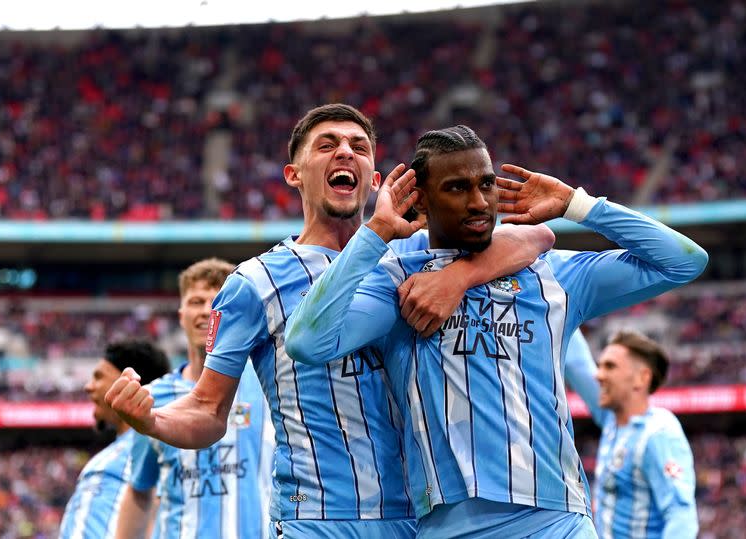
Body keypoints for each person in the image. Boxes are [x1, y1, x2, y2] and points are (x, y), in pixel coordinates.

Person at [106, 104, 553, 538]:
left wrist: (462, 274)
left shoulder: (414, 258)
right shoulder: (254, 283)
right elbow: (207, 409)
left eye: (359, 147)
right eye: (327, 145)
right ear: (293, 175)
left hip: (421, 520)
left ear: (375, 180)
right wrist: (154, 422)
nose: (345, 152)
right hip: (316, 520)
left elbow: (535, 236)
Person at [284, 125, 708, 538]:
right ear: (423, 201)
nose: (478, 202)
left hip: (558, 520)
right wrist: (375, 233)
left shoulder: (552, 276)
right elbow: (306, 340)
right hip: (451, 526)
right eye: (456, 188)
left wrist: (578, 206)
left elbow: (683, 261)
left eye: (485, 184)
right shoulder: (398, 282)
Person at [113, 258, 273, 539]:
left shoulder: (267, 383)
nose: (206, 311)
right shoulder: (152, 398)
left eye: (215, 301)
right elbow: (139, 491)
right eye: (196, 301)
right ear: (181, 314)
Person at [564, 329, 699, 538]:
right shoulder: (613, 422)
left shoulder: (658, 433)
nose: (598, 375)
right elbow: (576, 363)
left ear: (641, 378)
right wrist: (554, 301)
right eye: (600, 366)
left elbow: (681, 515)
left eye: (610, 366)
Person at [59, 339, 170, 539]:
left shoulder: (154, 451)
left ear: (128, 383)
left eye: (99, 377)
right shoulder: (120, 451)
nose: (88, 387)